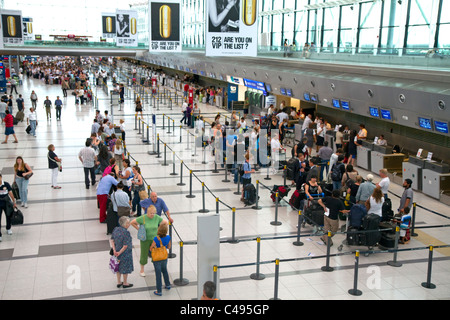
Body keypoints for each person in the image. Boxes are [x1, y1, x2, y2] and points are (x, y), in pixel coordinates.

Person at [130, 205, 168, 277]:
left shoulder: (156, 217)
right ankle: (142, 270)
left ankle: (156, 266)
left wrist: (159, 229)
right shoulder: (143, 218)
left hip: (155, 239)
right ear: (147, 212)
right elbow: (132, 222)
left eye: (153, 213)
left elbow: (165, 222)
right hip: (145, 239)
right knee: (144, 254)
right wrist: (139, 229)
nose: (152, 215)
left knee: (155, 253)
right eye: (151, 213)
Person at [110, 216, 134, 288]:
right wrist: (119, 253)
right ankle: (125, 283)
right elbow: (125, 246)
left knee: (118, 267)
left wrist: (115, 251)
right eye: (128, 222)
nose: (129, 224)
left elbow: (112, 240)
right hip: (125, 253)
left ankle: (119, 282)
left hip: (116, 252)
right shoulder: (126, 233)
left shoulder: (116, 229)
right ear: (125, 224)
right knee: (125, 268)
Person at [149, 223, 171, 296]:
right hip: (164, 257)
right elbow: (169, 247)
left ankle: (159, 291)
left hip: (157, 259)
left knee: (158, 275)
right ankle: (168, 285)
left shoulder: (156, 238)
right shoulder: (168, 237)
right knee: (164, 270)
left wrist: (153, 248)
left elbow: (151, 248)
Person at [0, 173, 17, 241]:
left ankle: (8, 228)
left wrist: (14, 202)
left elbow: (10, 193)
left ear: (1, 177)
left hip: (7, 203)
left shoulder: (6, 184)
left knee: (8, 215)